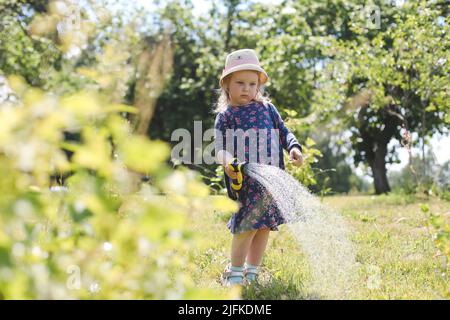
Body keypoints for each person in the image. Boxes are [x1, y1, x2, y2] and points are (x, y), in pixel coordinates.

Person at [214, 49, 304, 286]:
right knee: (245, 227)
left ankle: (252, 272)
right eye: (240, 83)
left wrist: (293, 147)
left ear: (258, 86)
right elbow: (220, 148)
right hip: (245, 183)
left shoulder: (268, 109)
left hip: (270, 182)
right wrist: (229, 162)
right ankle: (235, 272)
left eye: (252, 84)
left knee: (263, 227)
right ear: (227, 85)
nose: (246, 88)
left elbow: (284, 132)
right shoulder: (226, 116)